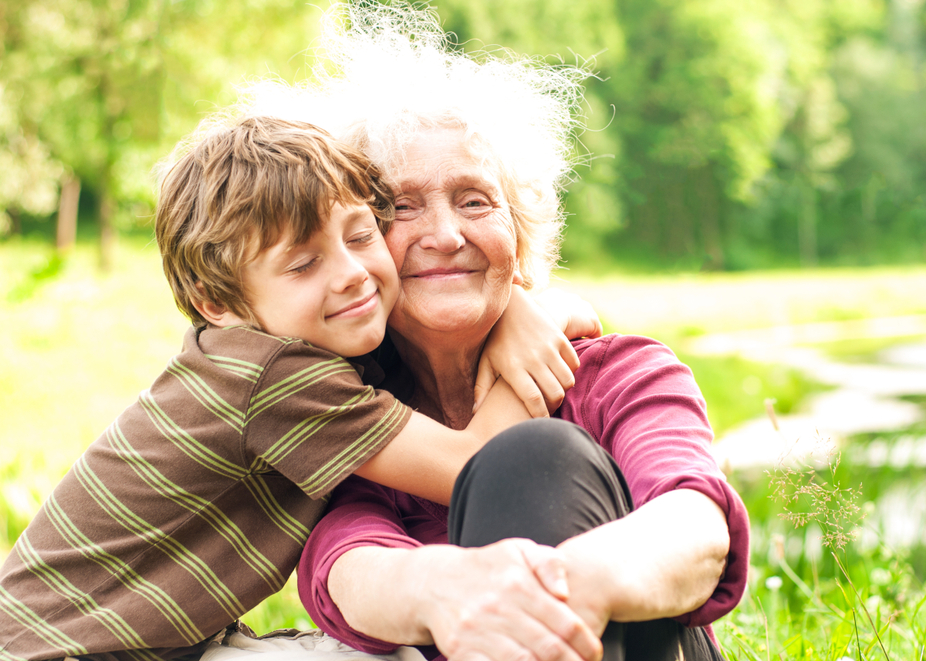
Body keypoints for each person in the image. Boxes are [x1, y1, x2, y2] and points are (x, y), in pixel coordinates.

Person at [244, 4, 751, 660]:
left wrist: (551, 592)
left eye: (475, 200)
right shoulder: (357, 419)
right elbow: (348, 569)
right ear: (356, 245)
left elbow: (696, 527)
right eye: (401, 206)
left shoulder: (622, 373)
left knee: (536, 459)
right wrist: (448, 591)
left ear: (521, 231)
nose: (447, 236)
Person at [0, 115, 593, 661]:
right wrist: (545, 321)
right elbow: (476, 465)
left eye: (361, 237)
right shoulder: (274, 377)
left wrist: (514, 304)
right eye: (303, 264)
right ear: (218, 304)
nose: (353, 273)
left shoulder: (294, 344)